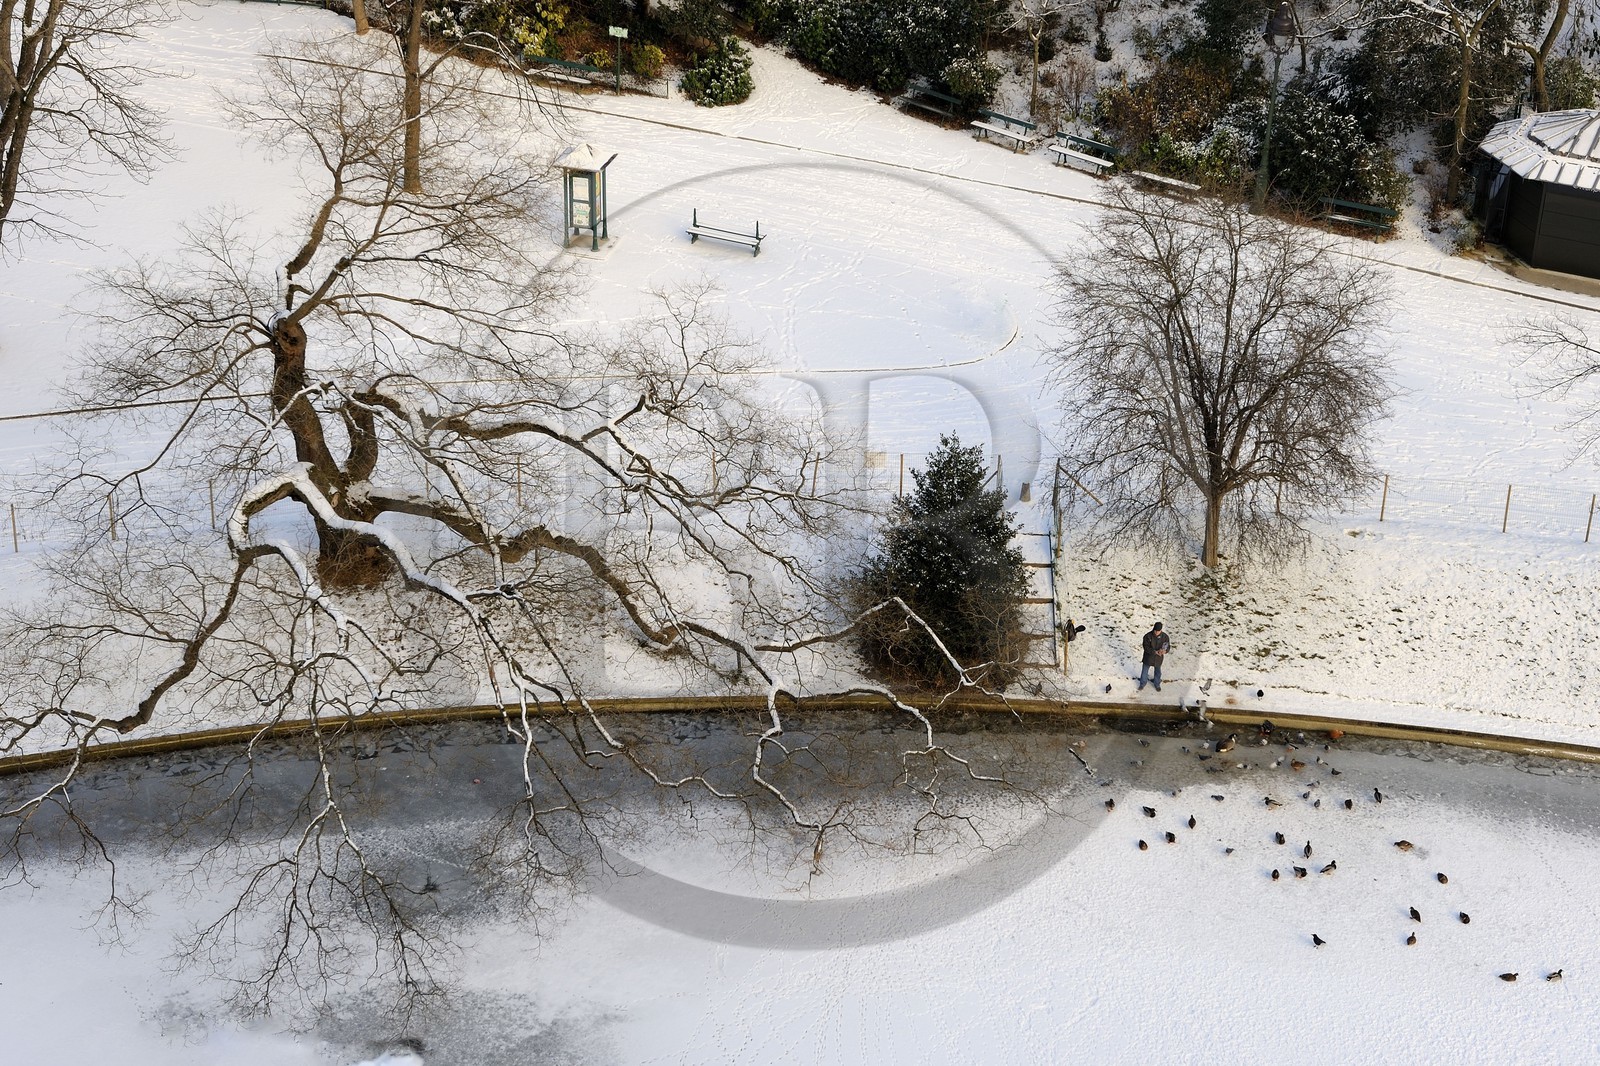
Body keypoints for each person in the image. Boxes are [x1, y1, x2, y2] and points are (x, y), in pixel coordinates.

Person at [1139, 622, 1169, 691]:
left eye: (1158, 631)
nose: (1156, 632)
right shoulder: (1147, 636)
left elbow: (1167, 646)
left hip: (1158, 658)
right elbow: (1146, 647)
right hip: (1148, 657)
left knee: (1158, 672)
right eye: (1155, 631)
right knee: (1144, 672)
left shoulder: (1165, 637)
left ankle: (1157, 684)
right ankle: (1142, 684)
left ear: (1161, 630)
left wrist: (1165, 651)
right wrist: (1154, 652)